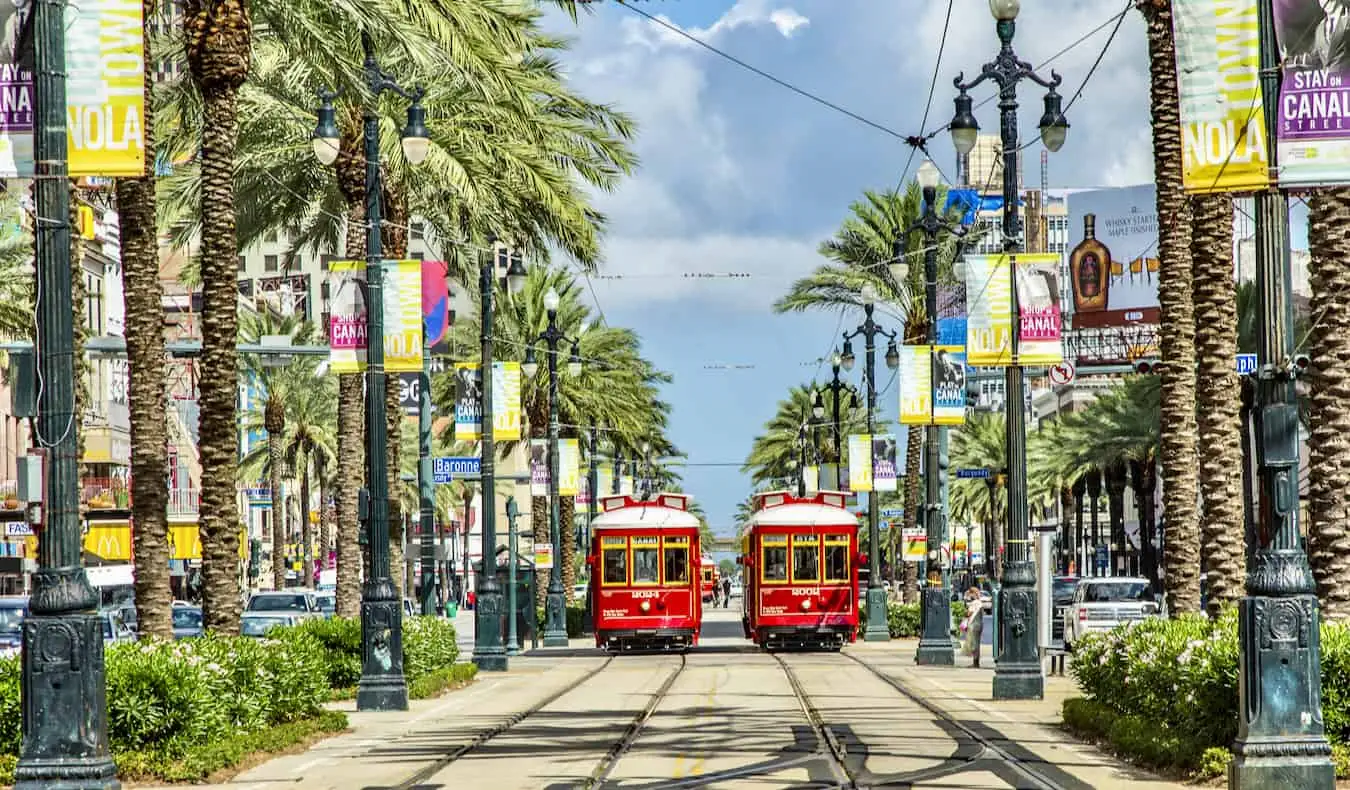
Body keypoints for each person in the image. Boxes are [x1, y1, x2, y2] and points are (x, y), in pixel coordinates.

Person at [962, 586, 985, 668]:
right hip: (979, 625)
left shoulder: (974, 603)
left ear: (973, 594)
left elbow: (968, 613)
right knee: (977, 644)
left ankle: (975, 663)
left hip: (973, 625)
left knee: (974, 644)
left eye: (970, 594)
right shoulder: (980, 602)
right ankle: (976, 662)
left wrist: (965, 611)